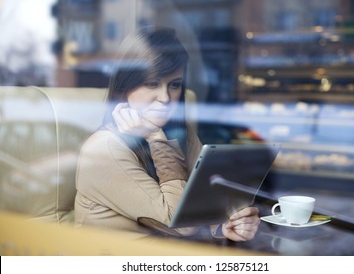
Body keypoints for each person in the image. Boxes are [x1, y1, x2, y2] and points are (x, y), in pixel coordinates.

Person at [74, 26, 260, 242]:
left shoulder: (178, 131)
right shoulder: (105, 149)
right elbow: (181, 223)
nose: (165, 97)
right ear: (126, 86)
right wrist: (156, 138)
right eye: (152, 83)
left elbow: (207, 195)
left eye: (174, 85)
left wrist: (227, 223)